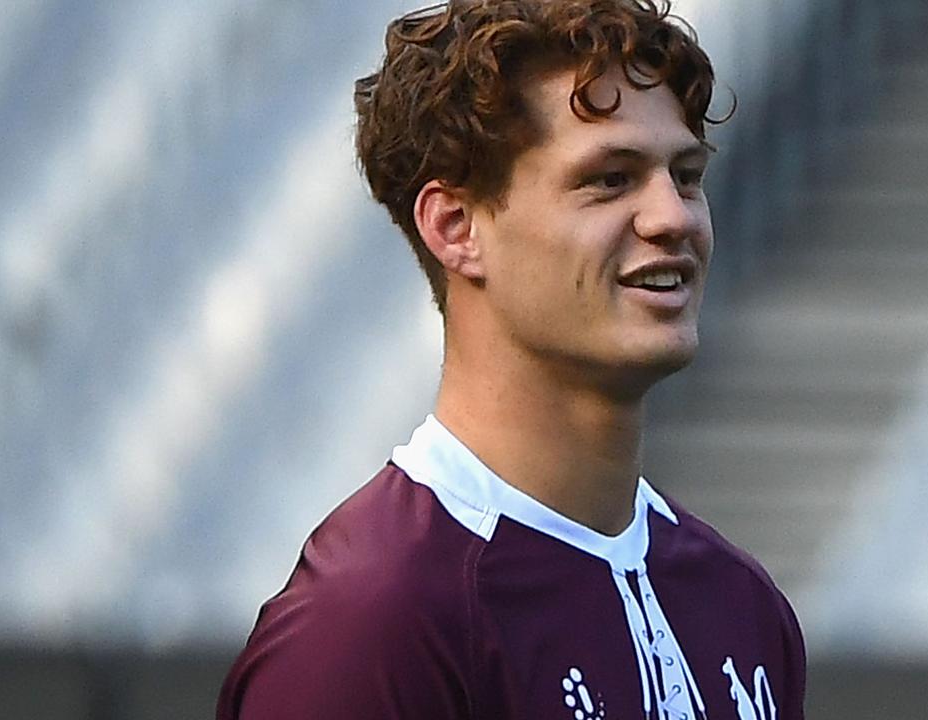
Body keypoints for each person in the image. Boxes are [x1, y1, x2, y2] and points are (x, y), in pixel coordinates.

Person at [216, 1, 805, 718]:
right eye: (610, 179)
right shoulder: (371, 626)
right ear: (456, 227)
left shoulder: (740, 604)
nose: (673, 217)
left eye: (685, 176)